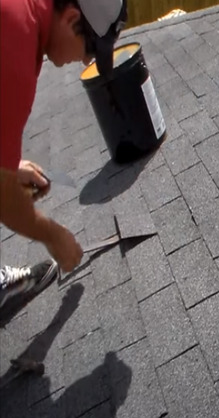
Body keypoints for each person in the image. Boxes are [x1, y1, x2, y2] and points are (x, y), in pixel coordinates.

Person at [0, 0, 128, 309]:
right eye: (91, 50)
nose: (86, 61)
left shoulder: (20, 17)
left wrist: (10, 166)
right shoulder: (14, 48)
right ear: (71, 19)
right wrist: (52, 234)